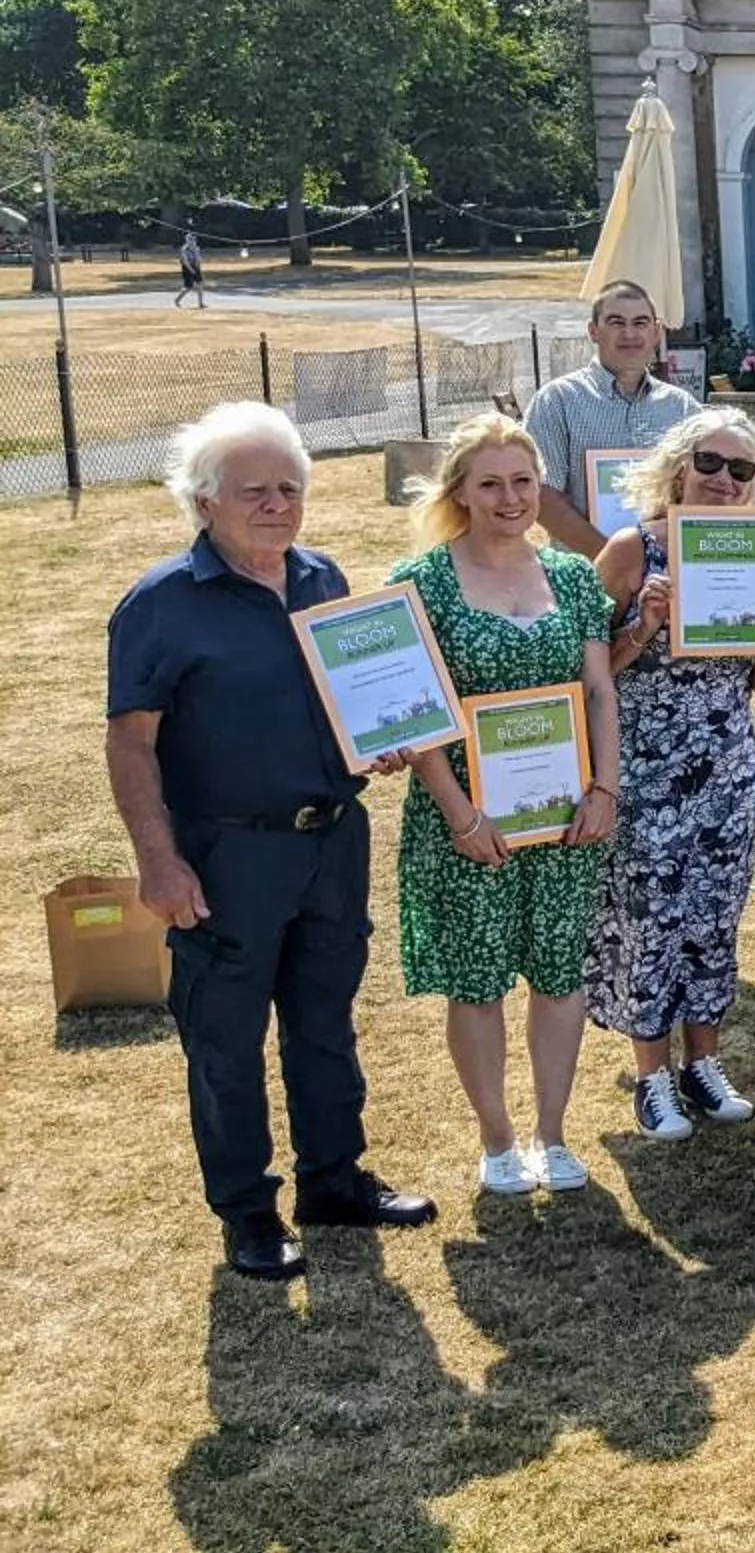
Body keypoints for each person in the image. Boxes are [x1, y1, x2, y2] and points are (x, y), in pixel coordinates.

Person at [106, 404, 435, 1280]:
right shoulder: (160, 605)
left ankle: (334, 1180)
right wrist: (157, 859)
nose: (277, 504)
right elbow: (130, 740)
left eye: (290, 487)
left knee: (324, 1023)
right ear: (204, 501)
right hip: (227, 857)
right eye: (254, 490)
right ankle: (249, 1212)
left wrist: (385, 735)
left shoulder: (320, 577)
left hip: (331, 839)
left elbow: (350, 697)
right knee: (225, 1039)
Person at [391, 414, 622, 1192]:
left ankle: (552, 1135)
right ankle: (497, 1142)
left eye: (522, 481)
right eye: (490, 483)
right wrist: (460, 815)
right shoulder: (418, 584)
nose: (510, 497)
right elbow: (414, 716)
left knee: (560, 973)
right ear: (459, 490)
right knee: (479, 978)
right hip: (469, 821)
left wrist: (605, 789)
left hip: (563, 817)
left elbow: (598, 689)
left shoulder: (574, 577)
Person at [583, 411, 755, 1139]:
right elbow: (587, 674)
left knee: (713, 915)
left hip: (728, 766)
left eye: (742, 470)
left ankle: (703, 1064)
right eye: (712, 462)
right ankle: (651, 1077)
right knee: (652, 920)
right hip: (645, 768)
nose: (724, 480)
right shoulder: (630, 548)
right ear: (679, 464)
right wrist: (643, 623)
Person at [524, 281, 702, 556]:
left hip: (666, 576)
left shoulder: (682, 408)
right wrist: (615, 559)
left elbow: (699, 490)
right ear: (593, 331)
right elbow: (543, 497)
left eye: (640, 323)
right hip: (584, 573)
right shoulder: (556, 401)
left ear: (656, 333)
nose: (629, 334)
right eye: (616, 322)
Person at [176, 228, 206, 308]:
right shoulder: (184, 249)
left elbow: (198, 259)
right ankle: (177, 300)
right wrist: (191, 270)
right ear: (187, 240)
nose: (192, 241)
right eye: (190, 240)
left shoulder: (196, 248)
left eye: (193, 240)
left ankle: (200, 303)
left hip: (195, 267)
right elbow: (185, 262)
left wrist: (197, 267)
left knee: (200, 284)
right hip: (187, 268)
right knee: (189, 287)